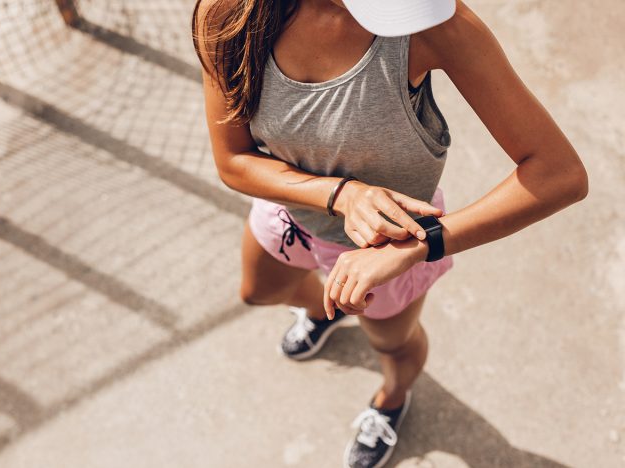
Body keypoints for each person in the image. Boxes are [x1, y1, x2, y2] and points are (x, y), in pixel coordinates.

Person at [192, 0, 589, 466]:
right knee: (257, 292)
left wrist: (422, 245)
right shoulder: (228, 13)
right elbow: (233, 160)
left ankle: (392, 399)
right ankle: (327, 309)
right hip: (292, 213)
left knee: (393, 345)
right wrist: (341, 194)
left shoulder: (436, 23)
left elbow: (560, 174)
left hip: (393, 250)